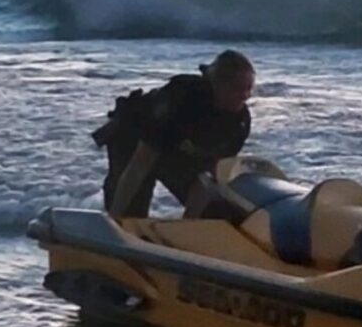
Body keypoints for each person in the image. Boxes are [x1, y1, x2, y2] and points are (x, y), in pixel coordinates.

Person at [93, 49, 255, 219]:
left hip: (181, 150)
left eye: (248, 89)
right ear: (217, 85)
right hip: (134, 139)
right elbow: (140, 164)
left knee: (216, 213)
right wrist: (115, 221)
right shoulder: (181, 101)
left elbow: (208, 176)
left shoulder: (240, 122)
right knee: (130, 217)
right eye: (237, 89)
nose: (245, 96)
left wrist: (188, 226)